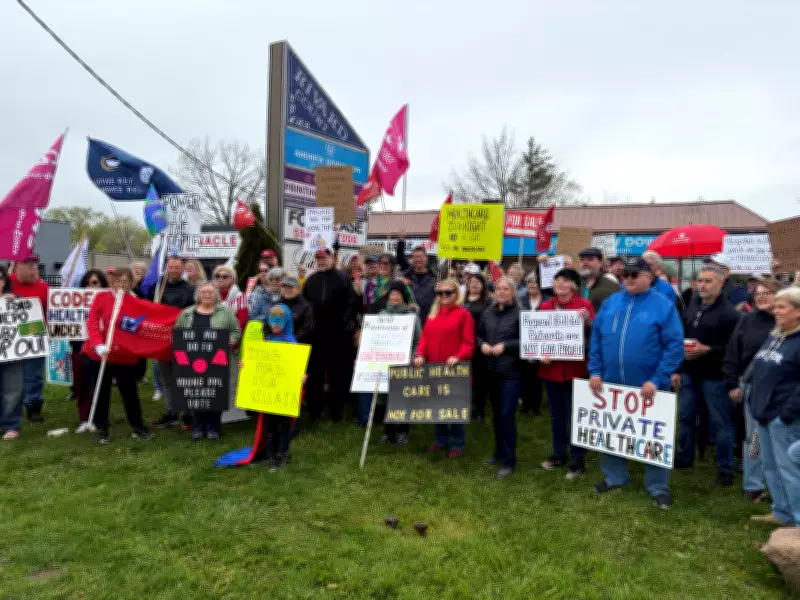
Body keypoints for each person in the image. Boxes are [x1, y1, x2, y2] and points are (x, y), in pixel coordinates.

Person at [588, 257, 684, 509]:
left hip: (649, 386)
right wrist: (595, 370)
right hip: (610, 383)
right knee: (611, 431)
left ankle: (658, 487)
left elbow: (674, 346)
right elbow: (597, 338)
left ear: (648, 276)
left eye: (634, 274)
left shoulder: (663, 306)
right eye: (624, 274)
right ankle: (615, 477)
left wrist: (658, 378)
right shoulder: (610, 303)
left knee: (653, 437)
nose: (628, 279)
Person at [674, 265, 742, 486]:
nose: (702, 285)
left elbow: (735, 349)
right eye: (700, 280)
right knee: (685, 417)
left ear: (721, 283)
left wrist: (708, 350)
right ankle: (684, 458)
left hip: (715, 376)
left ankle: (725, 469)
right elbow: (681, 335)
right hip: (689, 372)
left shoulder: (730, 314)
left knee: (721, 423)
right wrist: (677, 368)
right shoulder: (693, 304)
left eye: (708, 281)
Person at [723, 279, 781, 503]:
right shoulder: (747, 321)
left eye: (768, 293)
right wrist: (732, 383)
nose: (762, 297)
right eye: (757, 294)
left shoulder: (787, 322)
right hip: (753, 388)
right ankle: (754, 484)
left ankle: (782, 487)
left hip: (782, 391)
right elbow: (732, 353)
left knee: (781, 438)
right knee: (755, 438)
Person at [83, 268, 154, 444]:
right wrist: (99, 345)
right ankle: (102, 428)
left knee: (129, 391)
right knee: (101, 391)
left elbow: (140, 325)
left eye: (125, 281)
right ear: (112, 282)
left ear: (131, 283)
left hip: (124, 354)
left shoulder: (134, 301)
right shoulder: (102, 297)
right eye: (118, 281)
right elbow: (92, 321)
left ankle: (137, 426)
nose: (121, 285)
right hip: (102, 353)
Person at [748, 287, 800, 526]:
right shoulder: (776, 335)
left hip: (784, 417)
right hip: (763, 413)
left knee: (790, 470)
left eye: (781, 307)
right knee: (770, 467)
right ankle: (782, 512)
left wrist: (786, 414)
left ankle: (798, 520)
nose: (775, 311)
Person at [538, 269, 596, 479]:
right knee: (557, 416)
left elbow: (595, 333)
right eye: (557, 281)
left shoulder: (584, 306)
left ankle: (577, 460)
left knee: (576, 416)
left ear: (573, 285)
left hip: (575, 371)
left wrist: (587, 320)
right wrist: (539, 354)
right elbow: (537, 337)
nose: (560, 284)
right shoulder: (545, 307)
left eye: (565, 281)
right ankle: (559, 454)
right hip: (551, 370)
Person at [414, 278, 474, 457]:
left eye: (449, 292)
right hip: (434, 368)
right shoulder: (432, 314)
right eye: (441, 293)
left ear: (457, 294)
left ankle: (457, 444)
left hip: (455, 369)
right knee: (437, 405)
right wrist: (419, 355)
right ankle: (440, 440)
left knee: (454, 407)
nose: (444, 296)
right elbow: (424, 338)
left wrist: (458, 356)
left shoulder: (464, 314)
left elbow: (468, 343)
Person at [175, 282, 241, 441]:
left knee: (214, 393)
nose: (206, 295)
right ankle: (198, 427)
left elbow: (236, 330)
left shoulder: (225, 312)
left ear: (215, 295)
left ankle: (213, 428)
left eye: (210, 292)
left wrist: (231, 340)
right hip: (194, 362)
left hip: (218, 361)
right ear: (198, 295)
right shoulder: (187, 313)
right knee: (197, 394)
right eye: (203, 292)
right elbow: (177, 333)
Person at [303, 248, 357, 422]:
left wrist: (343, 322)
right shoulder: (310, 280)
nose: (321, 261)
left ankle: (336, 410)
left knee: (337, 374)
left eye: (324, 258)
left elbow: (351, 302)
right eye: (318, 258)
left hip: (338, 335)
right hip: (316, 334)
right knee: (315, 374)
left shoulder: (343, 278)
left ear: (332, 258)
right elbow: (305, 305)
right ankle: (314, 410)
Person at [477, 277, 522, 478]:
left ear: (513, 292)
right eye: (498, 289)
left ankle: (508, 460)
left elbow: (527, 342)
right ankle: (498, 452)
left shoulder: (520, 315)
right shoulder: (488, 313)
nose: (502, 292)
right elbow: (478, 335)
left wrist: (506, 346)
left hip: (511, 373)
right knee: (496, 415)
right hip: (491, 371)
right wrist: (482, 345)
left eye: (506, 289)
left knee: (506, 415)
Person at [149, 256, 196, 429]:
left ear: (182, 269)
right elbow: (147, 308)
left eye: (177, 267)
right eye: (171, 267)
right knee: (167, 380)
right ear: (166, 268)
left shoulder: (190, 290)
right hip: (161, 342)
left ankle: (189, 414)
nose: (174, 270)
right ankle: (171, 412)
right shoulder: (157, 289)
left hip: (182, 340)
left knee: (184, 378)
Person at [377, 281, 422, 445]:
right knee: (385, 398)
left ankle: (404, 431)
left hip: (405, 363)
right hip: (384, 363)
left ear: (403, 296)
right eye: (392, 294)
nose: (394, 296)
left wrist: (411, 357)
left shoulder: (411, 316)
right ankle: (387, 432)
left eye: (398, 294)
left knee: (404, 398)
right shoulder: (381, 316)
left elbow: (418, 340)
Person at [9, 254, 49, 423]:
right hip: (10, 339)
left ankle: (33, 406)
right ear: (17, 265)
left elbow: (49, 313)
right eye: (29, 265)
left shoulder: (43, 287)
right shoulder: (5, 284)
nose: (34, 268)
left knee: (35, 375)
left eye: (35, 264)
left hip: (34, 338)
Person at [73, 269, 109, 433]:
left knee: (98, 384)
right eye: (87, 284)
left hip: (99, 349)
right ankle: (84, 418)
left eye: (94, 283)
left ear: (102, 284)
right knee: (81, 385)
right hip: (78, 347)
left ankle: (99, 418)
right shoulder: (74, 301)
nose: (90, 286)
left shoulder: (108, 300)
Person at [0, 266, 25, 440]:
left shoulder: (15, 300)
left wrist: (16, 302)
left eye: (0, 278)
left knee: (13, 389)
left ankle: (11, 424)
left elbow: (29, 324)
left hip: (11, 354)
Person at [519, 272, 549, 416]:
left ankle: (536, 407)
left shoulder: (547, 300)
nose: (531, 285)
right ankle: (525, 405)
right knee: (524, 375)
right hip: (523, 342)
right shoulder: (520, 299)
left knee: (537, 377)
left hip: (541, 342)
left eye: (534, 282)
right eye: (529, 282)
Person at [463, 271, 491, 422]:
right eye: (471, 281)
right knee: (464, 378)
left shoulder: (488, 302)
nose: (473, 284)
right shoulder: (462, 301)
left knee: (479, 379)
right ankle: (465, 406)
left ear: (482, 284)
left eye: (477, 281)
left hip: (480, 344)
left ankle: (479, 410)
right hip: (463, 344)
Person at [396, 230, 437, 323]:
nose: (418, 259)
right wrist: (401, 241)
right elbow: (400, 257)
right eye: (416, 257)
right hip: (407, 320)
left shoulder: (435, 278)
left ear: (426, 258)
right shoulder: (405, 277)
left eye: (421, 257)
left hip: (428, 320)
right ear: (412, 259)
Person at [578, 247, 619, 313]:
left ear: (600, 263)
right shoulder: (574, 283)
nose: (585, 263)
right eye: (582, 260)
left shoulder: (611, 286)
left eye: (590, 259)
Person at [213, 265, 248, 333]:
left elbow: (241, 323)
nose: (220, 278)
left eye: (225, 276)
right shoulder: (208, 295)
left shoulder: (240, 297)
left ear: (233, 279)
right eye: (217, 276)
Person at [280, 277, 314, 344]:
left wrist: (292, 339)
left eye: (290, 287)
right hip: (279, 345)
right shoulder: (277, 304)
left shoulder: (306, 306)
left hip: (297, 346)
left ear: (298, 290)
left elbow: (307, 328)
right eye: (285, 287)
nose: (287, 290)